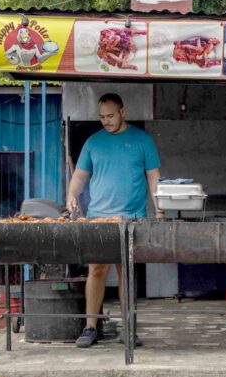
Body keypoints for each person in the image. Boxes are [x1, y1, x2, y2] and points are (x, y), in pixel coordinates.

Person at [67, 93, 164, 348]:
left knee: (127, 274)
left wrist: (160, 208)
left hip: (133, 217)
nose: (106, 121)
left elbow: (154, 177)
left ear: (124, 111)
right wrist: (71, 195)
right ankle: (90, 327)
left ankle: (128, 327)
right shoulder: (93, 142)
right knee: (96, 270)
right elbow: (80, 175)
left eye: (110, 116)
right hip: (98, 217)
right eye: (101, 117)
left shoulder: (142, 140)